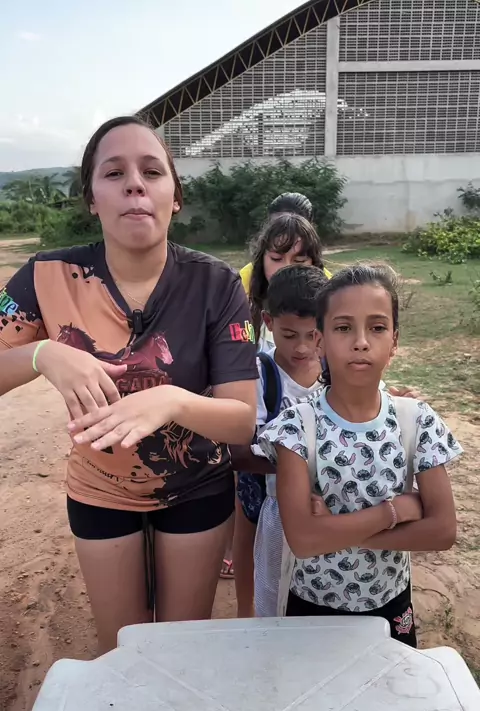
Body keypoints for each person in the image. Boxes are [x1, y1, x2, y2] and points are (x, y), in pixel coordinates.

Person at [0, 115, 258, 654]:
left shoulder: (216, 284)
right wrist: (43, 353)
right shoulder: (45, 276)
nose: (135, 185)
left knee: (181, 649)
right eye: (114, 172)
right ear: (92, 198)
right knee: (124, 649)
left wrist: (172, 400)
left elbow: (242, 420)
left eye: (152, 172)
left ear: (175, 197)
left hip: (197, 486)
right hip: (99, 488)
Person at [257, 264, 462, 645]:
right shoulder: (296, 428)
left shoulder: (416, 422)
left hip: (391, 608)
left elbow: (442, 530)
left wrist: (337, 531)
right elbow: (303, 540)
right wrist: (394, 513)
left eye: (377, 327)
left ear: (394, 341)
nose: (361, 342)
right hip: (312, 608)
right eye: (343, 328)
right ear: (320, 342)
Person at [231, 213, 325, 615]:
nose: (302, 347)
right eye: (278, 257)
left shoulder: (335, 368)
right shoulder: (258, 368)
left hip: (319, 505)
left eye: (299, 259)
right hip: (264, 497)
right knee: (262, 568)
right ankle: (249, 618)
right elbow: (238, 451)